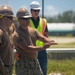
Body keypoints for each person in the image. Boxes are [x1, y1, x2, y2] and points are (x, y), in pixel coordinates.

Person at [13, 7, 57, 75]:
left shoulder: (32, 31)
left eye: (28, 18)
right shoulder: (17, 34)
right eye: (25, 18)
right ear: (19, 20)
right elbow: (27, 48)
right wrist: (42, 47)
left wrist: (50, 41)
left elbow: (42, 37)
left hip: (34, 61)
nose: (27, 20)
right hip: (23, 63)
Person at [30, 1, 48, 75]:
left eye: (38, 10)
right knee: (31, 71)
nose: (36, 12)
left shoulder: (44, 21)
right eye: (35, 10)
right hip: (31, 50)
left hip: (42, 50)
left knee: (43, 70)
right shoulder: (26, 21)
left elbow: (46, 35)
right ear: (31, 11)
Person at [0, 5, 14, 75]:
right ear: (5, 18)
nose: (12, 21)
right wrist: (3, 69)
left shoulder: (5, 32)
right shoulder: (0, 32)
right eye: (11, 18)